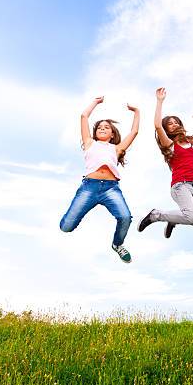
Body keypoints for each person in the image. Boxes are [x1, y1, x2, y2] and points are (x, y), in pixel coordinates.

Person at [60, 96, 139, 263]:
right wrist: (95, 103)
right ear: (95, 133)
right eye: (100, 127)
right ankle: (68, 218)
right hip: (89, 187)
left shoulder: (117, 148)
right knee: (66, 227)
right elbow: (83, 117)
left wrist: (137, 112)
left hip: (111, 188)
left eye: (107, 127)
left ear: (112, 134)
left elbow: (134, 132)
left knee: (125, 217)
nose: (102, 129)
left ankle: (117, 244)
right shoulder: (89, 143)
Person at [137, 87, 193, 238]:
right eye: (170, 124)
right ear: (167, 129)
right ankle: (155, 215)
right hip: (180, 185)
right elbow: (158, 125)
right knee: (189, 216)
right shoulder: (169, 144)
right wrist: (159, 101)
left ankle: (174, 219)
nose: (174, 124)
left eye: (176, 122)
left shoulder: (189, 141)